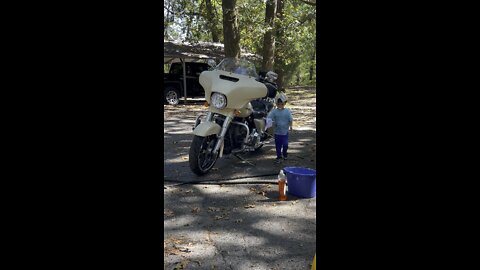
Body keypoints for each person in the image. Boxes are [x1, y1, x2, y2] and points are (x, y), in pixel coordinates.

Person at [267, 93, 293, 164]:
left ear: (284, 103)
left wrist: (291, 126)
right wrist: (269, 125)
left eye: (282, 104)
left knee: (285, 145)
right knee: (278, 146)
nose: (280, 106)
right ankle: (279, 157)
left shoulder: (287, 111)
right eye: (278, 104)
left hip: (285, 132)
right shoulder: (274, 111)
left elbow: (290, 119)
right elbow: (269, 117)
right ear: (276, 104)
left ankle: (284, 153)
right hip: (277, 132)